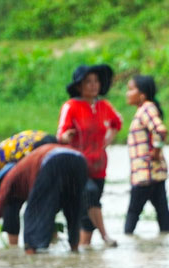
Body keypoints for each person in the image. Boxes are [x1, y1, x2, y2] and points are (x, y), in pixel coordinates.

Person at [57, 64, 122, 248]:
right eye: (88, 82)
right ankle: (105, 236)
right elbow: (60, 134)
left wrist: (108, 140)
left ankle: (85, 247)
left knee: (90, 208)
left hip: (99, 166)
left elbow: (117, 122)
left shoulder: (104, 106)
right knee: (90, 195)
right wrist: (65, 137)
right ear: (79, 86)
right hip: (77, 166)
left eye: (96, 81)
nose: (94, 86)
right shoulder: (71, 106)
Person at [0, 143, 87, 254]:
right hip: (79, 160)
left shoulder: (8, 179)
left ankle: (31, 254)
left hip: (53, 160)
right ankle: (75, 248)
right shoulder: (25, 170)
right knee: (73, 206)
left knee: (32, 213)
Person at [123, 75, 169, 235]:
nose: (127, 93)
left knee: (132, 214)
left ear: (142, 94)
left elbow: (160, 130)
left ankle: (127, 244)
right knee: (163, 215)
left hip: (145, 173)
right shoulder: (146, 109)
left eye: (131, 89)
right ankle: (165, 248)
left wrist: (156, 152)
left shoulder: (146, 109)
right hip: (155, 173)